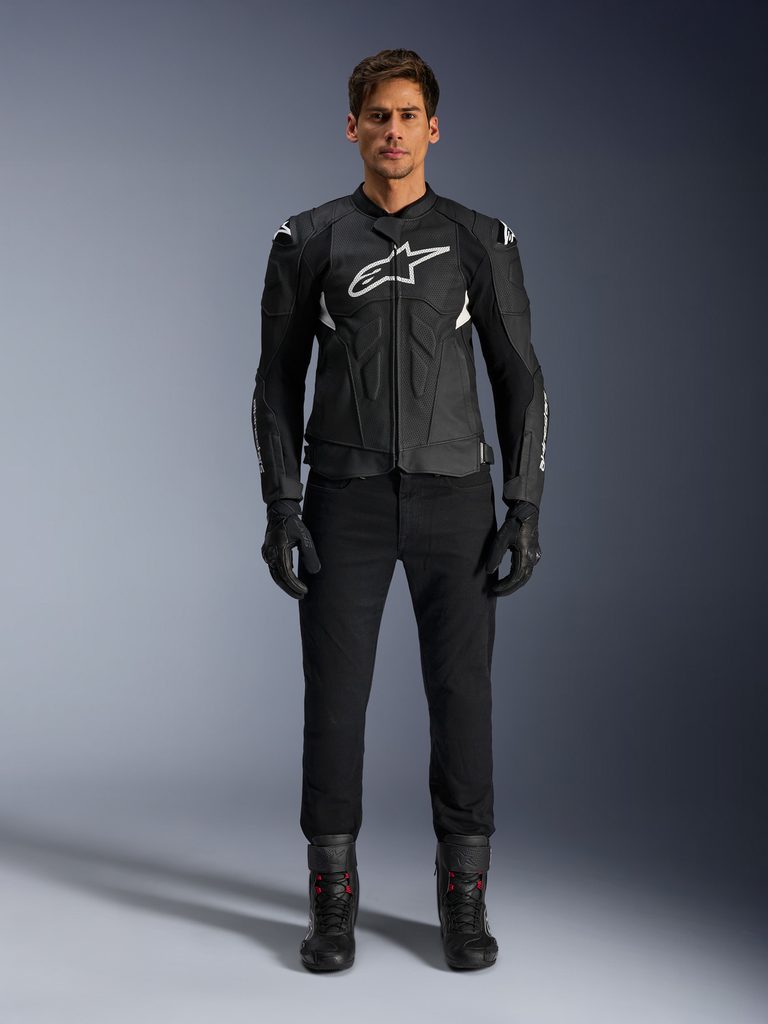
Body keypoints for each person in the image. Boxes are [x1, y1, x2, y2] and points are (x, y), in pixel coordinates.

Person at [252, 48, 549, 972]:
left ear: (434, 128)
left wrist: (524, 504)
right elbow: (274, 383)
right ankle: (333, 903)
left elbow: (521, 378)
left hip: (456, 499)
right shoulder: (309, 239)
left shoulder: (478, 239)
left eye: (408, 115)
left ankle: (463, 901)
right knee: (335, 702)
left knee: (463, 701)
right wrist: (282, 502)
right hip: (343, 501)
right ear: (352, 127)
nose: (393, 131)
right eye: (377, 115)